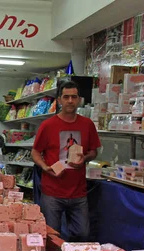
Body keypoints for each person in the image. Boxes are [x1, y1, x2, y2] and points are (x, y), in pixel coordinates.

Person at [31, 80, 101, 241]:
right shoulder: (48, 125)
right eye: (66, 97)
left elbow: (93, 151)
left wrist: (85, 158)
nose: (70, 101)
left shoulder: (87, 124)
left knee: (82, 233)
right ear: (59, 100)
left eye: (74, 97)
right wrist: (45, 166)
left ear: (79, 99)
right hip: (52, 192)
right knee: (52, 236)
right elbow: (35, 152)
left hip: (78, 192)